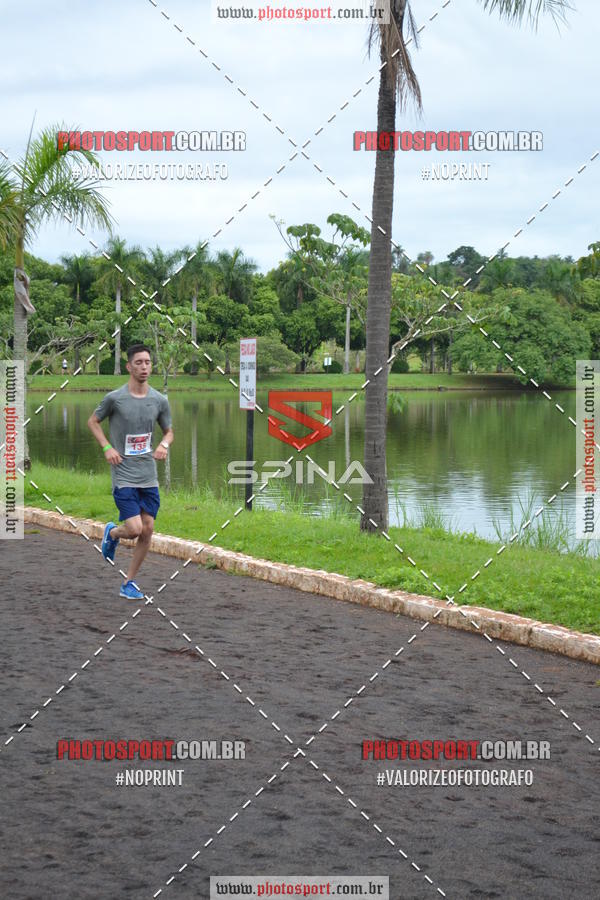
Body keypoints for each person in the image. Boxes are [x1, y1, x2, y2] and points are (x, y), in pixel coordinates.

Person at [87, 344, 173, 599]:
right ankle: (113, 532)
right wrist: (106, 447)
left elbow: (169, 431)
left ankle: (129, 582)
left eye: (147, 362)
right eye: (139, 363)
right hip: (123, 473)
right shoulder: (115, 398)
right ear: (129, 366)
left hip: (148, 475)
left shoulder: (159, 400)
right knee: (134, 529)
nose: (144, 367)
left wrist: (164, 444)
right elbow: (93, 421)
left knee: (147, 529)